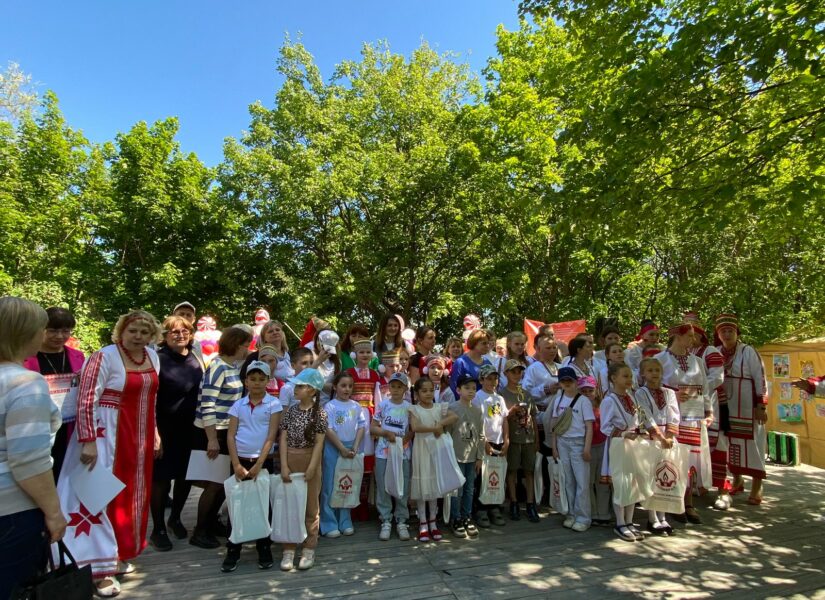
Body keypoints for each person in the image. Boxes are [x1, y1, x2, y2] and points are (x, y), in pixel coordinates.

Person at [57, 310, 161, 596]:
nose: (138, 336)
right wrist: (88, 440)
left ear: (152, 335)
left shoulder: (153, 357)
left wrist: (154, 432)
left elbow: (151, 399)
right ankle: (96, 567)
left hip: (138, 437)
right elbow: (86, 398)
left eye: (144, 332)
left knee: (130, 495)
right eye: (132, 331)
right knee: (98, 496)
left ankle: (117, 552)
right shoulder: (103, 356)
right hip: (106, 435)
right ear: (121, 331)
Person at [0, 297, 66, 600]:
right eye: (42, 328)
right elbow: (29, 461)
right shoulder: (25, 383)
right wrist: (54, 513)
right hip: (13, 511)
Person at [190, 326, 252, 550]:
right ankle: (199, 530)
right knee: (214, 483)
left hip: (226, 431)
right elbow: (207, 403)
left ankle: (210, 522)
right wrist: (212, 438)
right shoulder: (217, 367)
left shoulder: (231, 367)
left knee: (222, 482)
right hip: (213, 432)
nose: (247, 349)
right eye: (245, 345)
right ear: (235, 345)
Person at [149, 315, 204, 552]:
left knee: (185, 476)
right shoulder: (158, 359)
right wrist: (154, 433)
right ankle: (158, 528)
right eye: (174, 331)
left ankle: (176, 518)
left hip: (190, 428)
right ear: (165, 335)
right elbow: (150, 398)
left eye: (185, 331)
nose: (180, 335)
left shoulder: (195, 356)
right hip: (164, 428)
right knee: (161, 479)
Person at [222, 361, 282, 573]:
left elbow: (271, 435)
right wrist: (236, 463)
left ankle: (263, 547)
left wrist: (259, 463)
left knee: (263, 504)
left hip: (262, 461)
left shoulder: (274, 404)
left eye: (261, 379)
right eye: (252, 379)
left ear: (268, 381)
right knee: (236, 503)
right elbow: (230, 435)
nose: (257, 383)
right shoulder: (238, 405)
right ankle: (233, 548)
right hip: (240, 460)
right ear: (246, 381)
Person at [655, 323, 712, 524]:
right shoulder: (660, 359)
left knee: (691, 459)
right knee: (672, 457)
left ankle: (688, 503)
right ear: (677, 337)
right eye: (689, 336)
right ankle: (673, 502)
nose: (693, 340)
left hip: (693, 415)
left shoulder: (697, 361)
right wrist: (672, 393)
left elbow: (705, 387)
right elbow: (649, 385)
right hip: (670, 415)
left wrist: (709, 411)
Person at [23, 306, 85, 478]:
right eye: (53, 330)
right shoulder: (26, 357)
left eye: (65, 331)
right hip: (37, 426)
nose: (59, 336)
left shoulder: (78, 356)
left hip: (69, 426)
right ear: (41, 330)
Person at [715, 314, 768, 505]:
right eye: (723, 331)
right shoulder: (716, 352)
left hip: (747, 405)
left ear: (737, 333)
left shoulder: (748, 351)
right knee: (730, 443)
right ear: (718, 335)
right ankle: (737, 480)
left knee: (753, 443)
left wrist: (761, 405)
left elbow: (760, 377)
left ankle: (757, 486)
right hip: (725, 404)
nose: (727, 334)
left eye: (730, 331)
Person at [278, 368, 328, 571]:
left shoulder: (320, 413)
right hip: (290, 459)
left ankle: (309, 547)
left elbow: (319, 443)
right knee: (290, 505)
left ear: (312, 390)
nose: (295, 389)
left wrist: (313, 467)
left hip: (310, 461)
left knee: (311, 506)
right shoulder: (291, 411)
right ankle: (289, 547)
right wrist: (284, 465)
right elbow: (283, 438)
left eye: (300, 386)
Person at [683, 312, 732, 510]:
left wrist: (697, 388)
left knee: (717, 446)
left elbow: (717, 377)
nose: (689, 338)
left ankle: (723, 491)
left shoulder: (709, 351)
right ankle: (697, 486)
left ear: (700, 334)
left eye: (692, 334)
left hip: (712, 404)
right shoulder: (682, 354)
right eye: (686, 334)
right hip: (690, 405)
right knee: (693, 445)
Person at [409, 377, 457, 542]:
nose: (428, 393)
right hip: (421, 450)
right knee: (423, 485)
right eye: (424, 391)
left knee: (434, 485)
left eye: (431, 390)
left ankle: (433, 522)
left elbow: (454, 416)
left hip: (435, 451)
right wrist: (435, 428)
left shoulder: (439, 407)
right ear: (417, 393)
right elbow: (415, 427)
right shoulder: (414, 409)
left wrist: (440, 424)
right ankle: (423, 522)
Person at [635, 358, 680, 535]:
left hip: (667, 439)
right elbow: (644, 415)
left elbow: (674, 414)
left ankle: (663, 516)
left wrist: (669, 436)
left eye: (657, 370)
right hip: (651, 438)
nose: (654, 373)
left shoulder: (669, 393)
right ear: (643, 374)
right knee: (651, 477)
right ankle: (652, 517)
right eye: (650, 370)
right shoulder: (641, 393)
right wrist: (659, 437)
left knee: (665, 476)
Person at [547, 366, 594, 533]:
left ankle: (583, 517)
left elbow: (589, 426)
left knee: (582, 481)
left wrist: (587, 448)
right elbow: (555, 424)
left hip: (578, 442)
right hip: (562, 442)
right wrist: (554, 446)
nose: (567, 383)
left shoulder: (583, 401)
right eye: (563, 381)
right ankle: (571, 513)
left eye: (570, 380)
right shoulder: (558, 398)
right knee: (567, 480)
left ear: (576, 382)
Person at [320, 372, 366, 538]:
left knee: (347, 485)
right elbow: (328, 429)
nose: (347, 389)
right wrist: (340, 448)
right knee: (330, 484)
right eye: (343, 385)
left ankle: (345, 521)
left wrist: (355, 446)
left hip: (351, 449)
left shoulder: (356, 406)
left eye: (350, 386)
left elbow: (361, 426)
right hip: (334, 449)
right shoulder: (330, 407)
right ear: (335, 387)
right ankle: (329, 523)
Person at [372, 372, 413, 542]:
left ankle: (401, 520)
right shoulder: (383, 405)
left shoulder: (409, 407)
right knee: (383, 486)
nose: (395, 390)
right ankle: (386, 520)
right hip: (383, 452)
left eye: (399, 387)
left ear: (405, 389)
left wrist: (406, 439)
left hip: (403, 453)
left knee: (402, 484)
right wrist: (385, 433)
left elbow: (413, 429)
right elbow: (373, 427)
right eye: (393, 386)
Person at [499, 360, 540, 523]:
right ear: (506, 374)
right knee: (512, 471)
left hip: (528, 438)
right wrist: (511, 411)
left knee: (529, 471)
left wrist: (536, 439)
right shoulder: (502, 394)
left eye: (519, 371)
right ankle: (514, 502)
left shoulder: (526, 394)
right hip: (513, 439)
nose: (517, 375)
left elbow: (533, 417)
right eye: (513, 372)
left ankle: (530, 503)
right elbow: (500, 419)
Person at [472, 364, 510, 528]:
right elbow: (477, 422)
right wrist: (485, 442)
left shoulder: (499, 398)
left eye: (495, 378)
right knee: (483, 477)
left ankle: (494, 506)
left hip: (499, 442)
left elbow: (504, 419)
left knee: (497, 475)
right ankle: (481, 509)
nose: (492, 382)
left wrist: (506, 439)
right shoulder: (478, 397)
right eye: (488, 378)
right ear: (481, 380)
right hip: (484, 443)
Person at [448, 373, 485, 538]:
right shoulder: (452, 409)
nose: (471, 391)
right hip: (456, 456)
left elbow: (481, 435)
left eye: (473, 388)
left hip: (472, 457)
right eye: (466, 388)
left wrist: (480, 457)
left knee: (469, 489)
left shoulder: (477, 411)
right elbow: (447, 433)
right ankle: (455, 518)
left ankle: (466, 516)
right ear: (458, 390)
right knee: (457, 489)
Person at [576, 376, 611, 526]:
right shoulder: (577, 406)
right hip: (587, 447)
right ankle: (592, 512)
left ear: (596, 390)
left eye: (590, 390)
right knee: (588, 482)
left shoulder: (603, 405)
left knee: (602, 481)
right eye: (583, 391)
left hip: (602, 445)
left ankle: (603, 513)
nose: (587, 393)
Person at [449, 329, 493, 396]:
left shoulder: (488, 363)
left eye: (488, 343)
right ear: (474, 344)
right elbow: (454, 387)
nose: (487, 346)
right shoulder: (461, 362)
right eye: (484, 343)